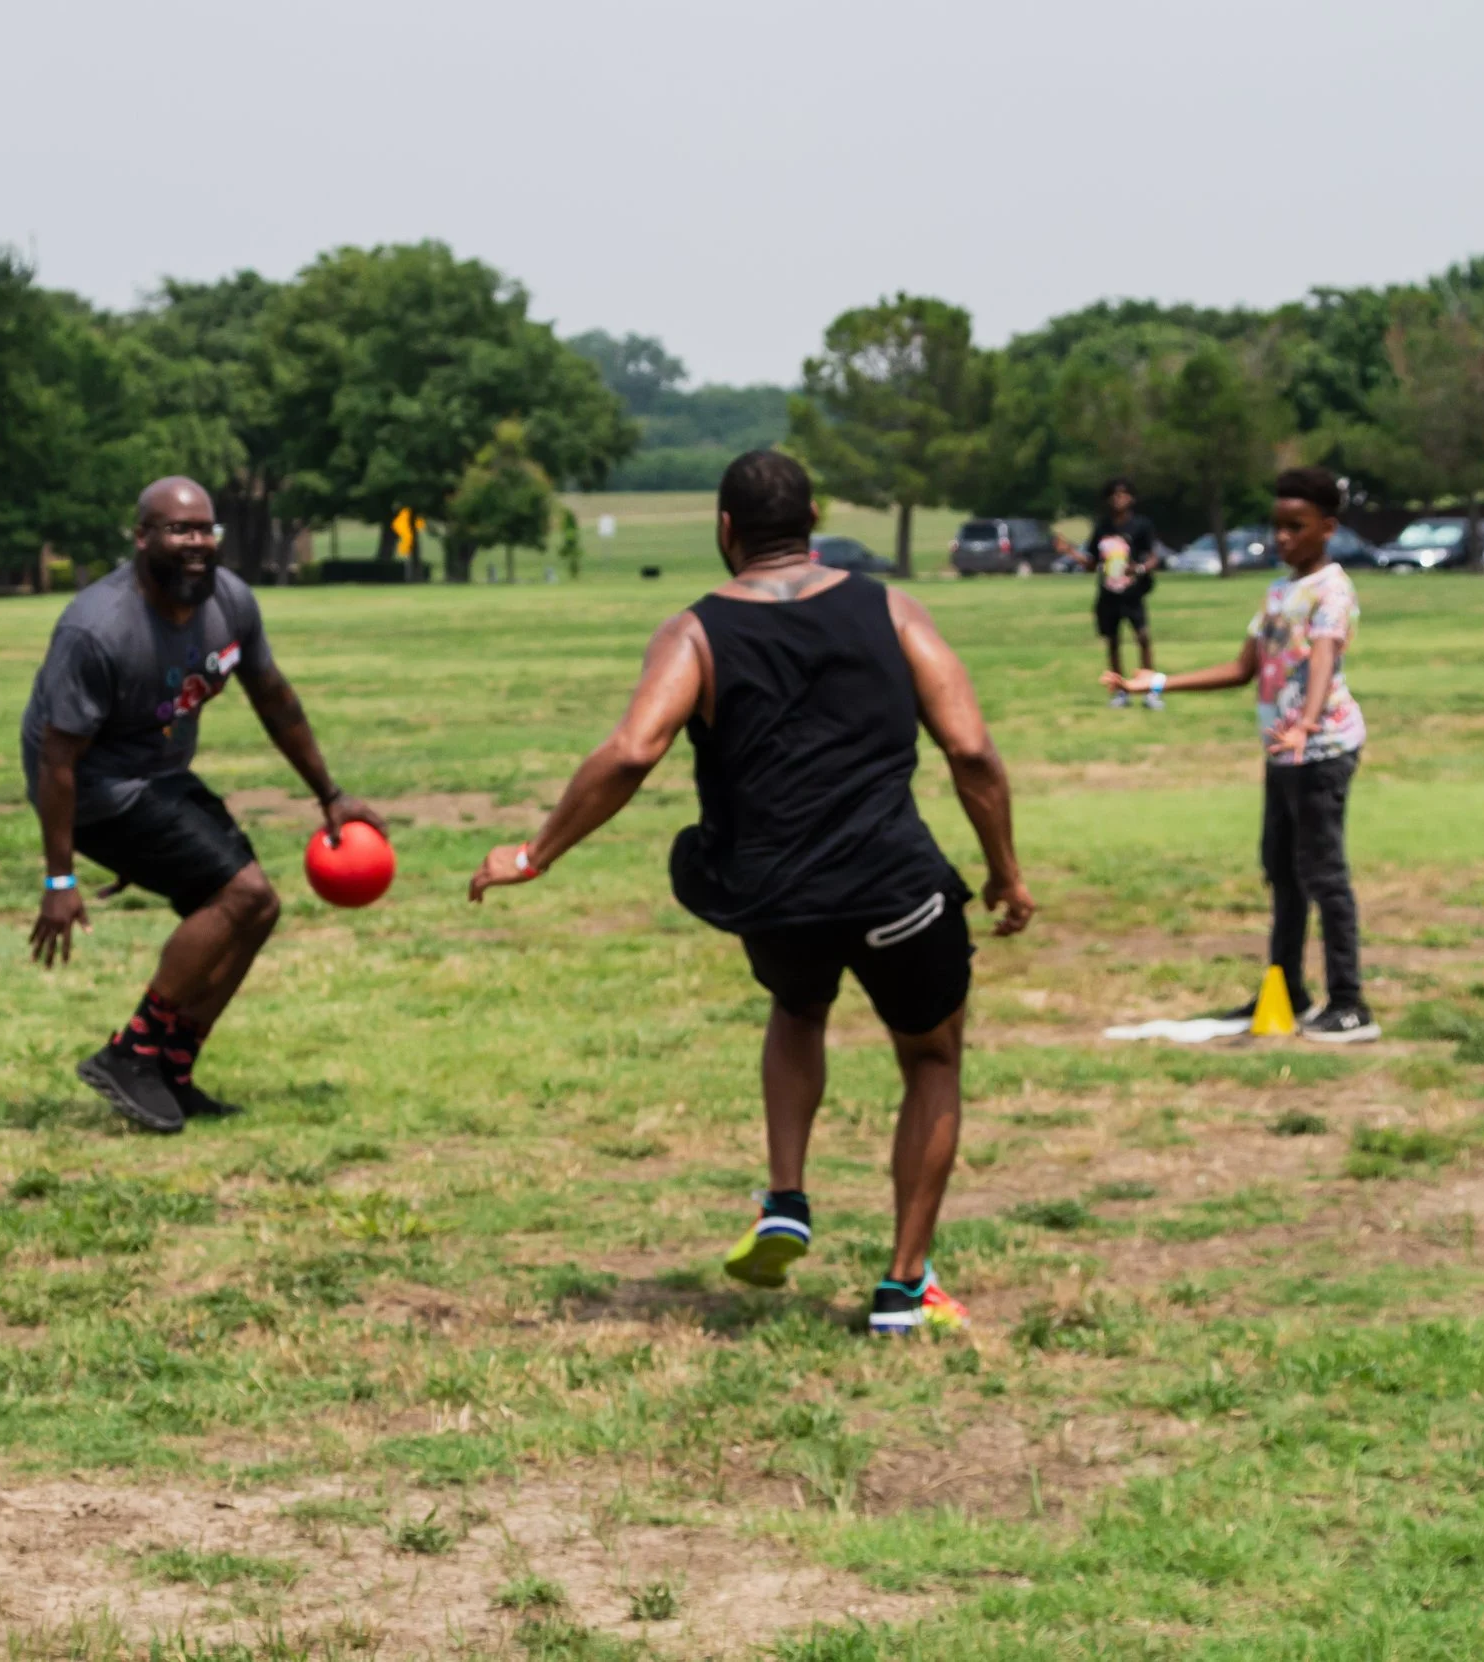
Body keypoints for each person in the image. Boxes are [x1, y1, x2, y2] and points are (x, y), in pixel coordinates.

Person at [470, 451, 1037, 1338]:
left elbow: (630, 751)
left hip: (773, 896)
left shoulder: (693, 633)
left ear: (725, 530)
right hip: (897, 891)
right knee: (930, 1060)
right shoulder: (890, 608)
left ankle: (785, 1198)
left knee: (799, 1003)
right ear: (812, 516)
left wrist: (535, 854)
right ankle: (902, 1287)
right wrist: (1004, 870)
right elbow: (971, 750)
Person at [23, 477, 385, 1133]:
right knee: (241, 895)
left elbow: (273, 697)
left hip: (159, 773)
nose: (195, 544)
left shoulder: (229, 603)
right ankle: (131, 1054)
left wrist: (329, 794)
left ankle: (172, 1066)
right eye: (177, 529)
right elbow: (56, 764)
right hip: (95, 787)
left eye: (204, 530)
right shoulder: (97, 629)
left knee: (259, 908)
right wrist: (60, 876)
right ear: (141, 537)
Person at [1104, 465, 1378, 1042]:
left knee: (1324, 874)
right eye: (1277, 526)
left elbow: (1324, 656)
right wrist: (1155, 684)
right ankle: (1286, 990)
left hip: (1321, 750)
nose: (1282, 538)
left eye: (1296, 527)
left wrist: (1305, 723)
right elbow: (1241, 669)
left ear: (1327, 528)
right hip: (1283, 754)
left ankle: (1350, 1003)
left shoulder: (1331, 589)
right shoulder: (1280, 591)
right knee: (1281, 871)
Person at [1083, 478, 1160, 708]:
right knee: (1113, 641)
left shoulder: (1141, 525)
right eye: (1114, 494)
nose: (1119, 498)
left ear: (1132, 498)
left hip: (1132, 592)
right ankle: (1120, 691)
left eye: (1124, 494)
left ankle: (1150, 689)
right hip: (1108, 593)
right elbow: (1092, 561)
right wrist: (1071, 553)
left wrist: (1138, 569)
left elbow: (1154, 557)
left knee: (1143, 638)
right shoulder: (1102, 527)